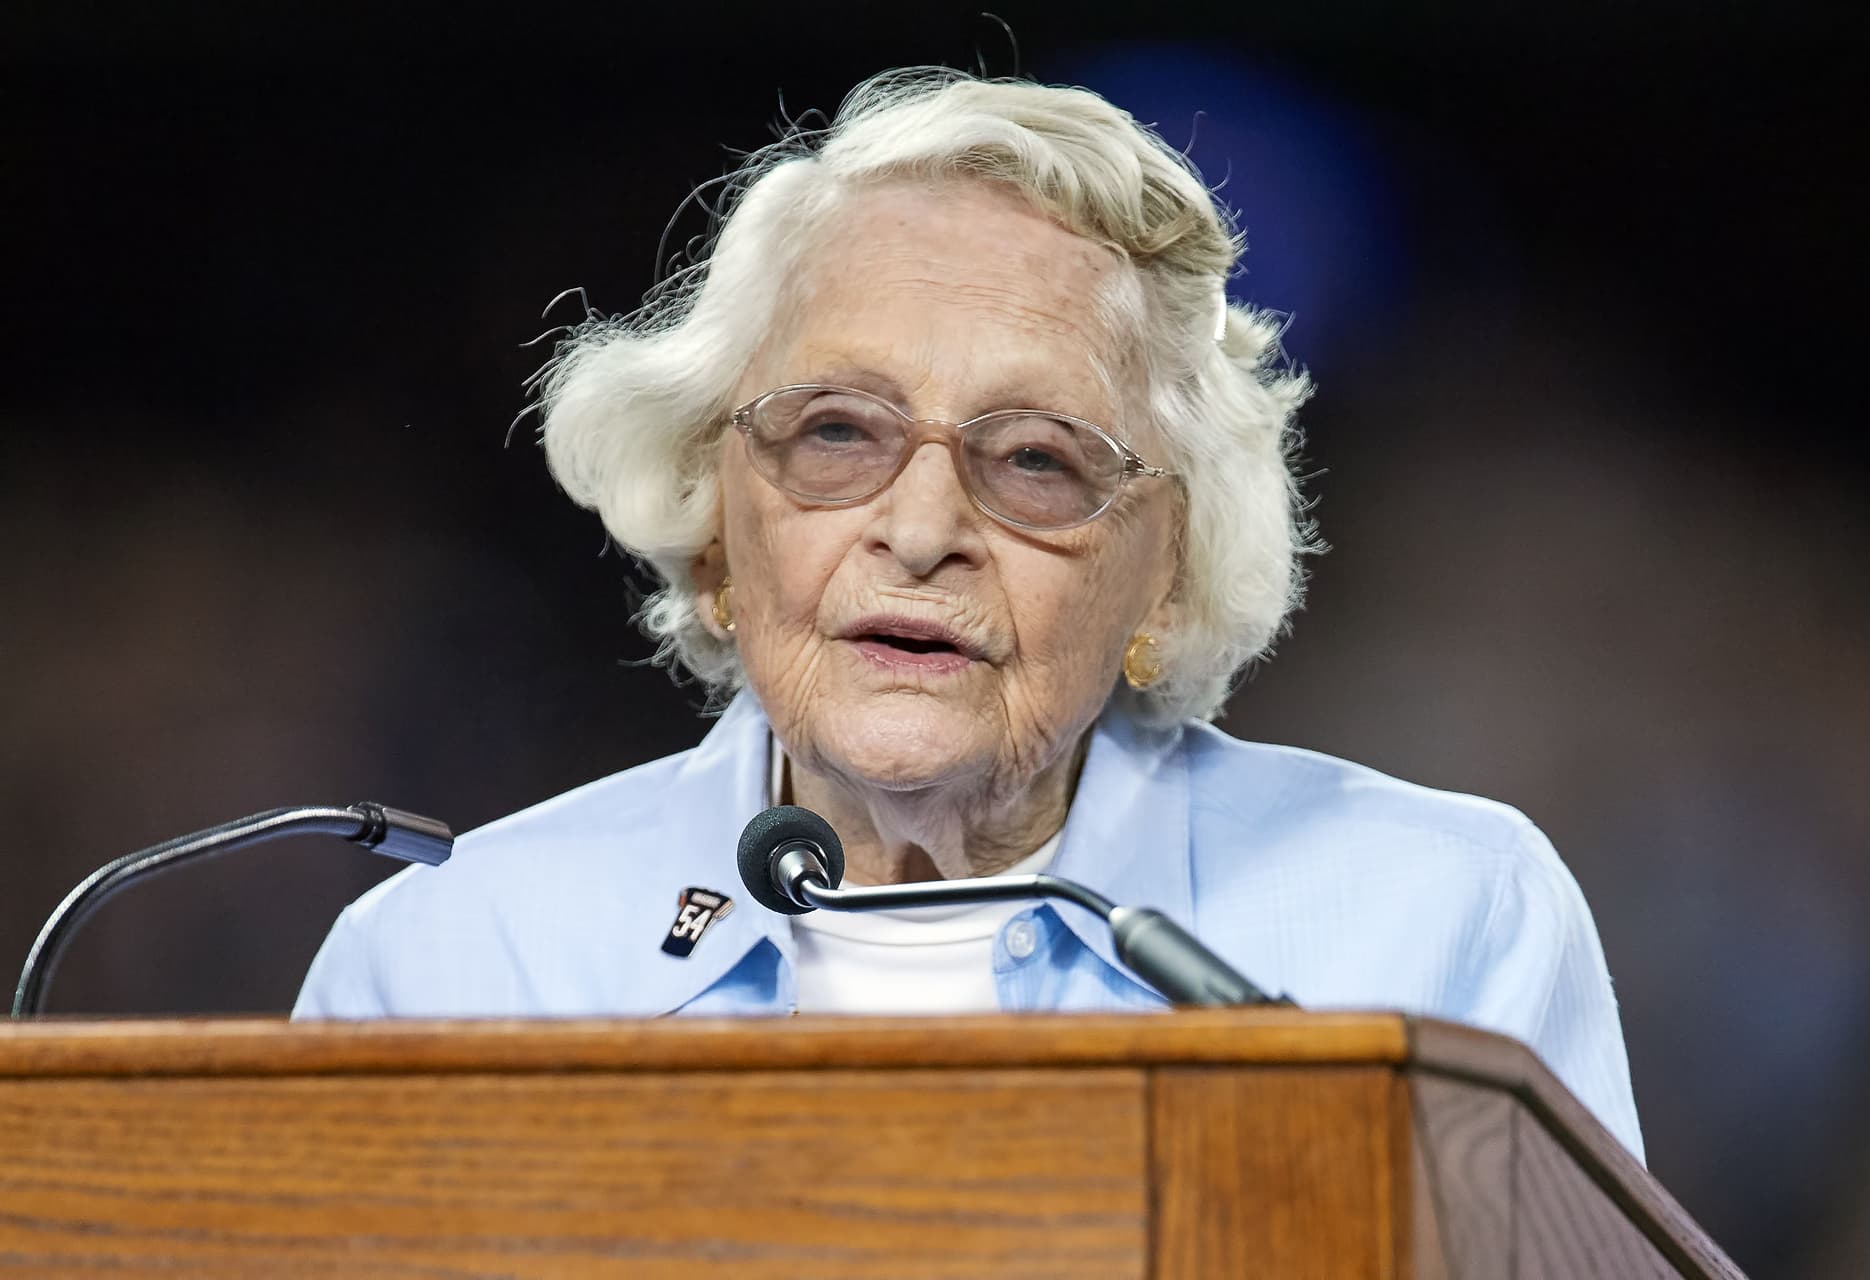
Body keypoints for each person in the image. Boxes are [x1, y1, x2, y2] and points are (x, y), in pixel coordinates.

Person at [293, 69, 1643, 1159]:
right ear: (714, 529)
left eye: (1039, 461)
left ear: (1165, 578)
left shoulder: (1434, 923)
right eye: (836, 433)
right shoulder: (462, 963)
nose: (926, 528)